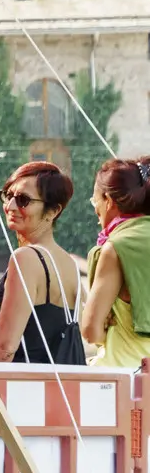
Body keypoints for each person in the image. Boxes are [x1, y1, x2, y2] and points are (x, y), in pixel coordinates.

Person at [0, 161, 87, 365]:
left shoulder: (26, 258)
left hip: (17, 391)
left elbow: (5, 348)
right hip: (53, 392)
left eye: (23, 200)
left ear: (53, 211)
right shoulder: (69, 264)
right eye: (8, 195)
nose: (10, 206)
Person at [82, 157, 150, 370]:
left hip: (122, 376)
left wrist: (107, 330)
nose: (96, 209)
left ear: (108, 200)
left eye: (95, 201)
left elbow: (90, 330)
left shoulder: (116, 247)